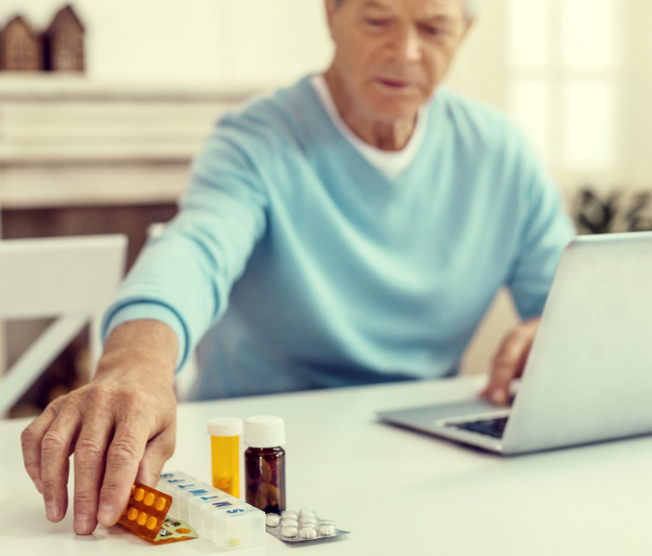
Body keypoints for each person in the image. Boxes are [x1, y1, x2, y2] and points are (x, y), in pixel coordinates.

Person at [21, 0, 575, 536]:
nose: (405, 51)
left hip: (423, 454)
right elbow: (195, 249)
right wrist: (134, 363)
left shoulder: (502, 155)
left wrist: (553, 336)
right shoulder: (257, 139)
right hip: (262, 464)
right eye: (378, 19)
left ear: (465, 31)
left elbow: (571, 303)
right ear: (331, 13)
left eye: (433, 28)